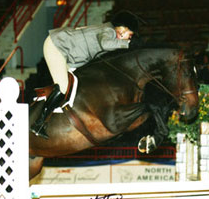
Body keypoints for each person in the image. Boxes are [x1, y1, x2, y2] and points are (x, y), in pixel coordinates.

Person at [31, 10, 139, 139]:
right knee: (64, 87)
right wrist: (128, 44)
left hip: (65, 52)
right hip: (56, 46)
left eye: (130, 38)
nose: (129, 39)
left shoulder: (107, 30)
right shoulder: (109, 31)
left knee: (76, 83)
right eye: (130, 35)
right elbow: (105, 44)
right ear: (123, 30)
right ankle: (39, 123)